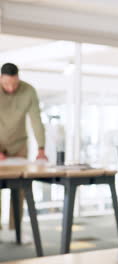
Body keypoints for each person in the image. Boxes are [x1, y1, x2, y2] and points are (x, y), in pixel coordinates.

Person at [0, 62, 48, 230]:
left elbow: (36, 120)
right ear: (0, 79)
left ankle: (16, 230)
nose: (11, 88)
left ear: (18, 78)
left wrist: (41, 148)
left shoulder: (28, 91)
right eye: (6, 84)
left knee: (19, 187)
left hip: (19, 144)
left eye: (14, 84)